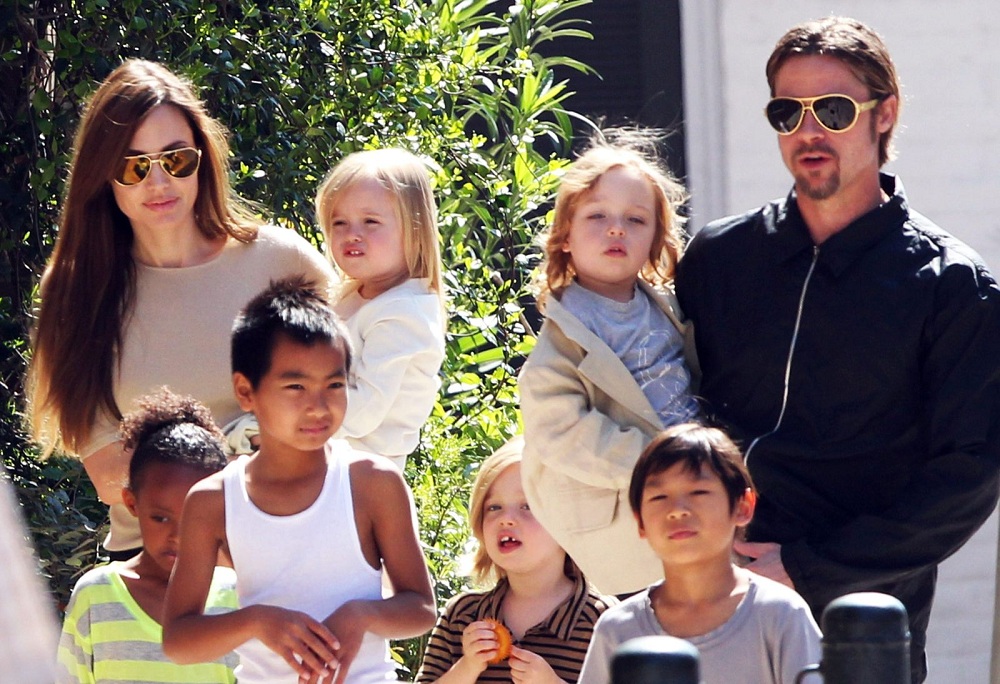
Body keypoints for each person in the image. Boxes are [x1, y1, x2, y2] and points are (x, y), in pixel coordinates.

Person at [674, 16, 1000, 683]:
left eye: (832, 110)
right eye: (787, 113)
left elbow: (968, 477)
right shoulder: (719, 258)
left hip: (858, 622)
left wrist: (807, 567)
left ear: (886, 114)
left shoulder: (952, 285)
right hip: (710, 601)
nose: (809, 132)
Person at [25, 59, 336, 560]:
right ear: (104, 176)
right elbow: (109, 475)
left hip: (289, 545)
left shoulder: (280, 263)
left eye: (176, 159)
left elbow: (353, 396)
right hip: (154, 567)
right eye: (133, 166)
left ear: (203, 159)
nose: (158, 182)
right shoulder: (77, 291)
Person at [162, 278, 436, 683]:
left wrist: (361, 615)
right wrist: (257, 621)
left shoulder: (372, 483)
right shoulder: (214, 500)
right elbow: (178, 640)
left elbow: (421, 608)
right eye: (296, 387)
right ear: (246, 391)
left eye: (335, 385)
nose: (318, 406)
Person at [518, 130, 701, 595]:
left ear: (655, 239)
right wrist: (655, 462)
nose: (616, 229)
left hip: (697, 489)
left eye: (635, 219)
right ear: (565, 236)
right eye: (597, 216)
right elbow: (560, 430)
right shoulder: (566, 333)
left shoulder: (669, 309)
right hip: (628, 513)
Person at [577, 424, 821, 684]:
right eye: (659, 497)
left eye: (698, 492)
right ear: (640, 521)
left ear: (743, 506)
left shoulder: (779, 613)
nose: (677, 510)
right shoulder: (617, 629)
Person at [56, 387, 237, 684]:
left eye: (195, 519)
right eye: (161, 518)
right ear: (132, 504)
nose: (177, 536)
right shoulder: (95, 596)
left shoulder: (237, 598)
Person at [416, 435, 616, 684]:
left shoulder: (603, 621)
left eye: (528, 506)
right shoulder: (463, 615)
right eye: (494, 507)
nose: (506, 519)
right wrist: (467, 667)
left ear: (568, 524)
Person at [315, 148, 446, 472]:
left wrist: (286, 423)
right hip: (328, 460)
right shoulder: (353, 294)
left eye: (370, 222)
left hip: (362, 477)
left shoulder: (404, 313)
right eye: (339, 222)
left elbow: (362, 412)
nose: (351, 234)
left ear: (414, 229)